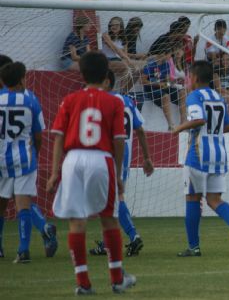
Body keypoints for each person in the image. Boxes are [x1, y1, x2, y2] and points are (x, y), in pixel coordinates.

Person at [45, 51, 136, 295]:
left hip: (72, 159)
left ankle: (83, 283)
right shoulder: (114, 101)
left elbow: (58, 138)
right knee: (109, 218)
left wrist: (55, 172)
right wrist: (117, 174)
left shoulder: (70, 100)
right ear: (106, 74)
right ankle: (117, 279)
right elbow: (119, 140)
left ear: (82, 74)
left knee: (77, 221)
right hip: (100, 159)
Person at [172, 60, 229, 258]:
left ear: (195, 78)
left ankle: (194, 247)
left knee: (192, 198)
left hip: (198, 154)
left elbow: (199, 119)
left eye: (189, 76)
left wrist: (178, 128)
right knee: (214, 199)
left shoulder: (194, 96)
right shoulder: (218, 96)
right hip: (219, 153)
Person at [89, 70, 154, 257]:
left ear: (107, 82)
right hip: (124, 155)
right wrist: (147, 157)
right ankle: (106, 243)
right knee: (110, 200)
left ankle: (134, 236)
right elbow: (140, 130)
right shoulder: (127, 101)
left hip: (107, 155)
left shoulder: (102, 101)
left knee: (116, 199)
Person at [0, 56, 58, 261]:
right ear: (22, 79)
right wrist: (37, 153)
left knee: (6, 201)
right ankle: (24, 248)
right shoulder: (30, 99)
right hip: (25, 158)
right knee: (22, 203)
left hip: (1, 159)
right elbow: (38, 133)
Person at [141, 43, 187, 131]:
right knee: (165, 96)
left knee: (182, 92)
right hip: (151, 89)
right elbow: (142, 81)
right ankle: (171, 125)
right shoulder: (150, 64)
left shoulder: (166, 64)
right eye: (170, 54)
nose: (171, 57)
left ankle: (183, 122)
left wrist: (174, 82)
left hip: (162, 86)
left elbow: (167, 80)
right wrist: (158, 84)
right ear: (163, 54)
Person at [102, 16, 140, 93]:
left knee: (138, 70)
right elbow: (114, 48)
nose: (114, 26)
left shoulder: (123, 38)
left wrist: (129, 62)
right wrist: (128, 60)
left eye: (116, 25)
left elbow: (124, 54)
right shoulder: (105, 35)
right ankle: (117, 93)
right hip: (106, 60)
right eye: (112, 25)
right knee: (125, 68)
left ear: (121, 26)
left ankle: (125, 92)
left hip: (118, 60)